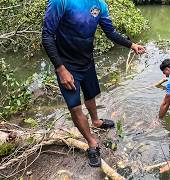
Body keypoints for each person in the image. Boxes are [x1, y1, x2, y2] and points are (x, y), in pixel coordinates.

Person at [41, 0, 145, 167]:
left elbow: (110, 32)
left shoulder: (101, 5)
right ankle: (92, 143)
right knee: (74, 106)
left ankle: (96, 121)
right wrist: (60, 69)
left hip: (87, 61)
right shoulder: (60, 1)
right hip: (67, 65)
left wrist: (131, 45)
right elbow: (47, 35)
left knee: (91, 94)